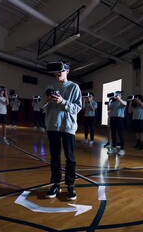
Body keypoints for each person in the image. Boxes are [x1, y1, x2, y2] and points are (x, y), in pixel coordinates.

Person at [43, 60, 82, 201]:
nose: (57, 74)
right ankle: (55, 184)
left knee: (70, 158)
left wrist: (62, 102)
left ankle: (70, 185)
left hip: (68, 127)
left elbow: (77, 108)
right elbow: (43, 107)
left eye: (60, 71)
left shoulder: (74, 87)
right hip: (52, 126)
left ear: (67, 71)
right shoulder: (50, 87)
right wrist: (47, 100)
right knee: (55, 157)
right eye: (55, 71)